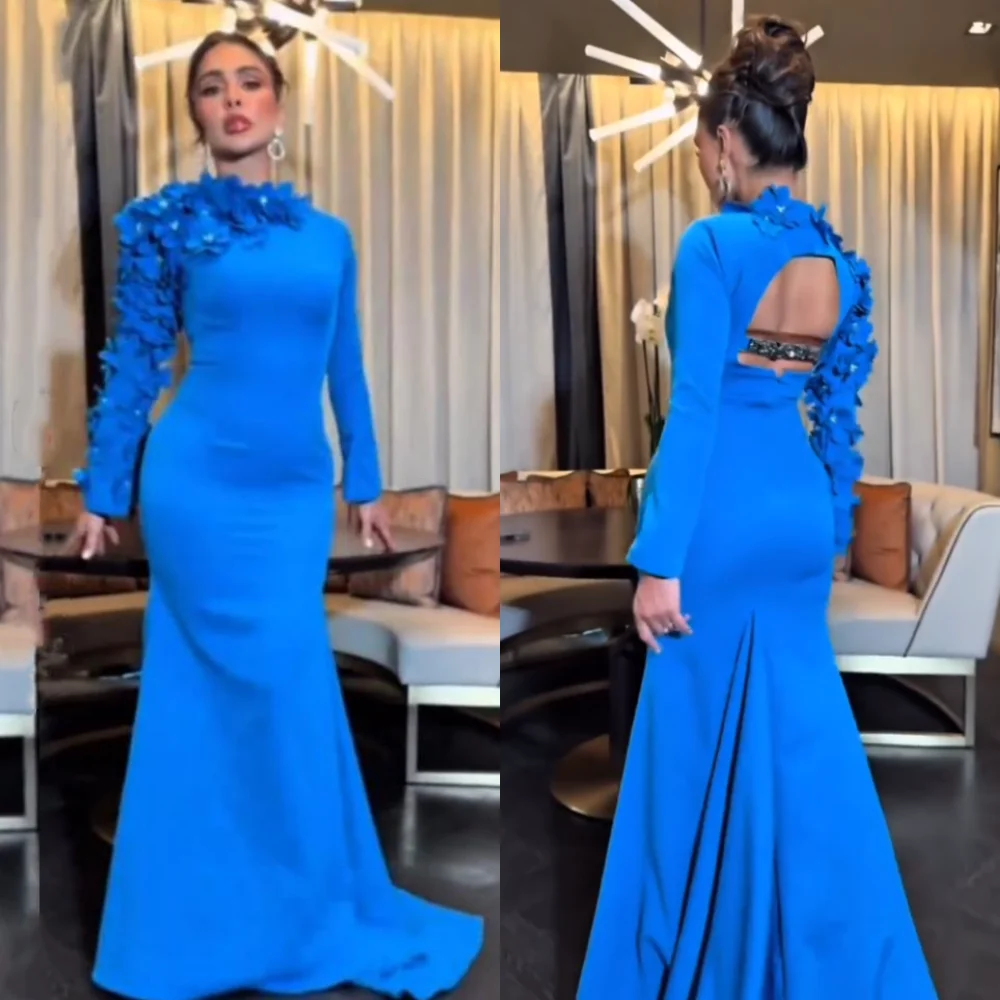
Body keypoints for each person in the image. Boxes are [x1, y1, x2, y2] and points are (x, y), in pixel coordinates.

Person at [72, 31, 483, 1000]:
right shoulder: (166, 224)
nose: (232, 99)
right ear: (196, 114)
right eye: (211, 88)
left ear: (279, 104)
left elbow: (347, 365)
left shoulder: (328, 238)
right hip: (195, 487)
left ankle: (300, 910)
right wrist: (103, 489)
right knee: (197, 700)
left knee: (288, 689)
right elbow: (135, 364)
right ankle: (190, 927)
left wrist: (366, 481)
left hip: (294, 493)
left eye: (249, 82)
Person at [577, 17, 938, 1000]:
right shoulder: (834, 257)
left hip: (724, 514)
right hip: (795, 508)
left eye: (702, 147)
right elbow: (827, 403)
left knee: (692, 745)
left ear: (729, 139)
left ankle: (701, 951)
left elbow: (695, 408)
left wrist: (656, 559)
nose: (702, 166)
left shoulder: (711, 243)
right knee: (798, 740)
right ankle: (827, 953)